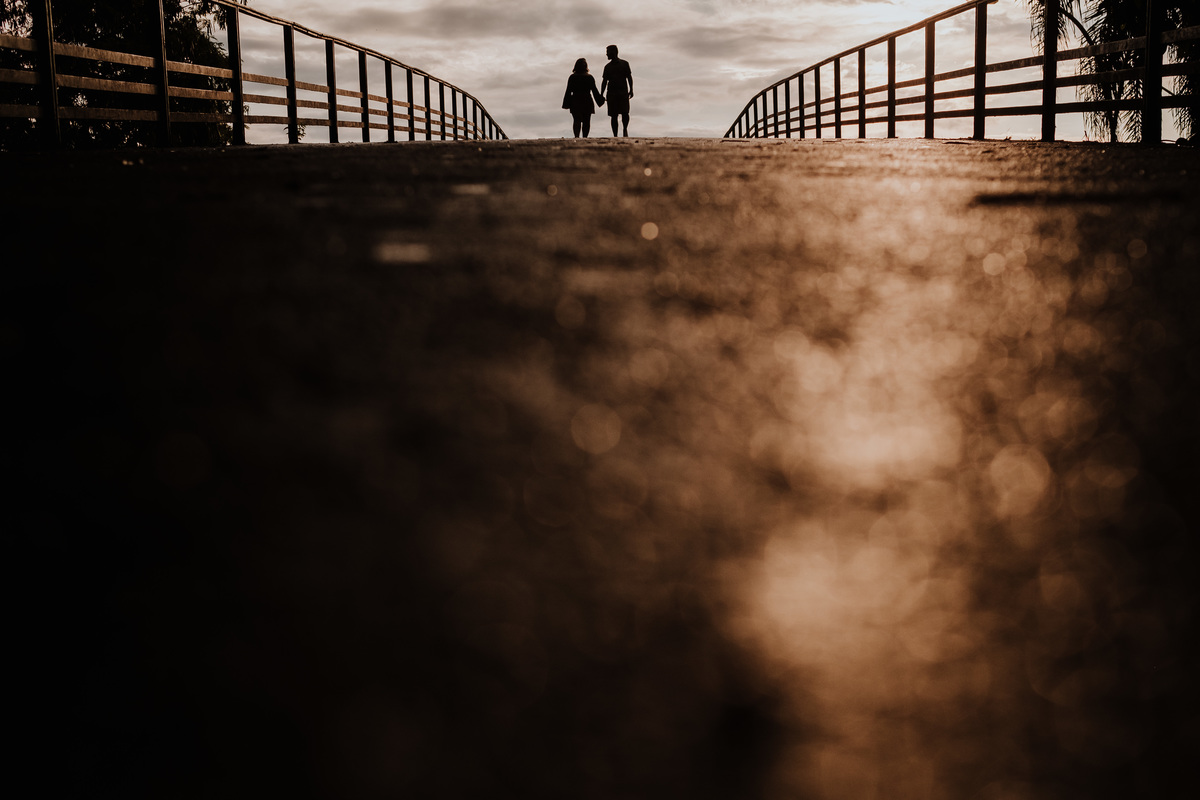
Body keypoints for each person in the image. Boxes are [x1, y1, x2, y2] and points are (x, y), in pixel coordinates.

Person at [562, 58, 604, 138]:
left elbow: (568, 91)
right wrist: (600, 100)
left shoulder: (572, 77)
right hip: (587, 100)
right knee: (586, 121)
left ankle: (577, 137)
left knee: (577, 120)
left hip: (575, 100)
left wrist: (566, 104)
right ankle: (585, 137)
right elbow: (594, 91)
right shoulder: (589, 77)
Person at [600, 44, 633, 137]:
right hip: (611, 93)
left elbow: (629, 77)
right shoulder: (607, 67)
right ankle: (615, 134)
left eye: (608, 52)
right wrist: (601, 93)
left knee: (625, 112)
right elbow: (604, 81)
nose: (606, 54)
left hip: (623, 92)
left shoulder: (624, 63)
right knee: (613, 115)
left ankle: (625, 129)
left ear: (614, 52)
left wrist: (631, 89)